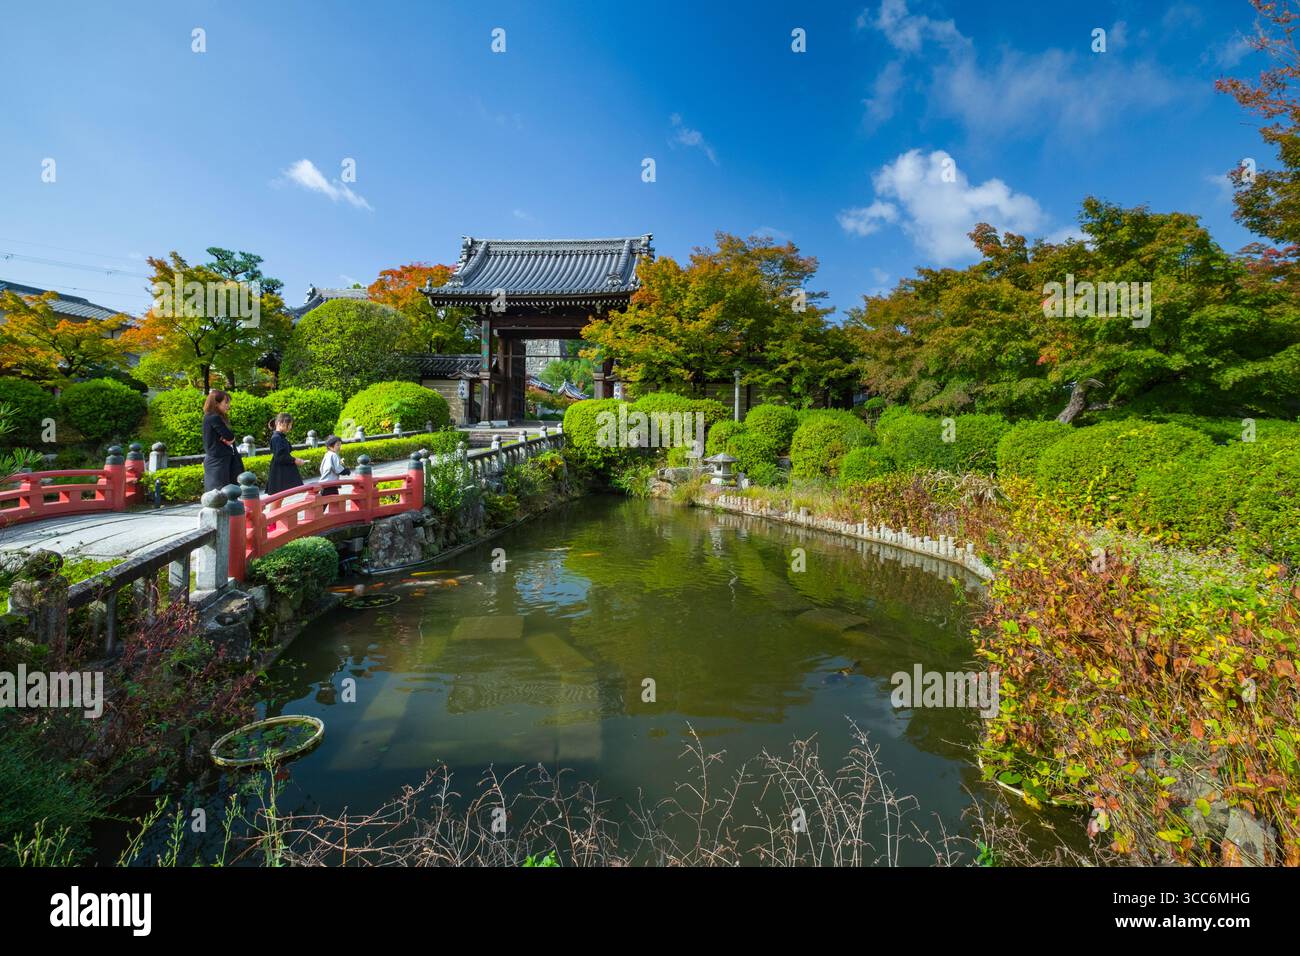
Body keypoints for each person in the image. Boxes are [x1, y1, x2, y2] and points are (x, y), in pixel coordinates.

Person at [202, 390, 241, 493]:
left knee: (224, 493)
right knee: (218, 494)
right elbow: (229, 436)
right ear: (216, 403)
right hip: (217, 461)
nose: (228, 405)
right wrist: (231, 439)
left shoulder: (211, 417)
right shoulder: (213, 417)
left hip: (219, 460)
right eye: (226, 402)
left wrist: (229, 439)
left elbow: (228, 437)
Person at [265, 413, 309, 495]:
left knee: (279, 497)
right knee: (277, 498)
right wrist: (295, 460)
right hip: (279, 471)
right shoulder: (276, 438)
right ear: (279, 423)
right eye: (288, 424)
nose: (290, 427)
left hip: (281, 470)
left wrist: (295, 459)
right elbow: (280, 456)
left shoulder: (280, 437)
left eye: (290, 425)